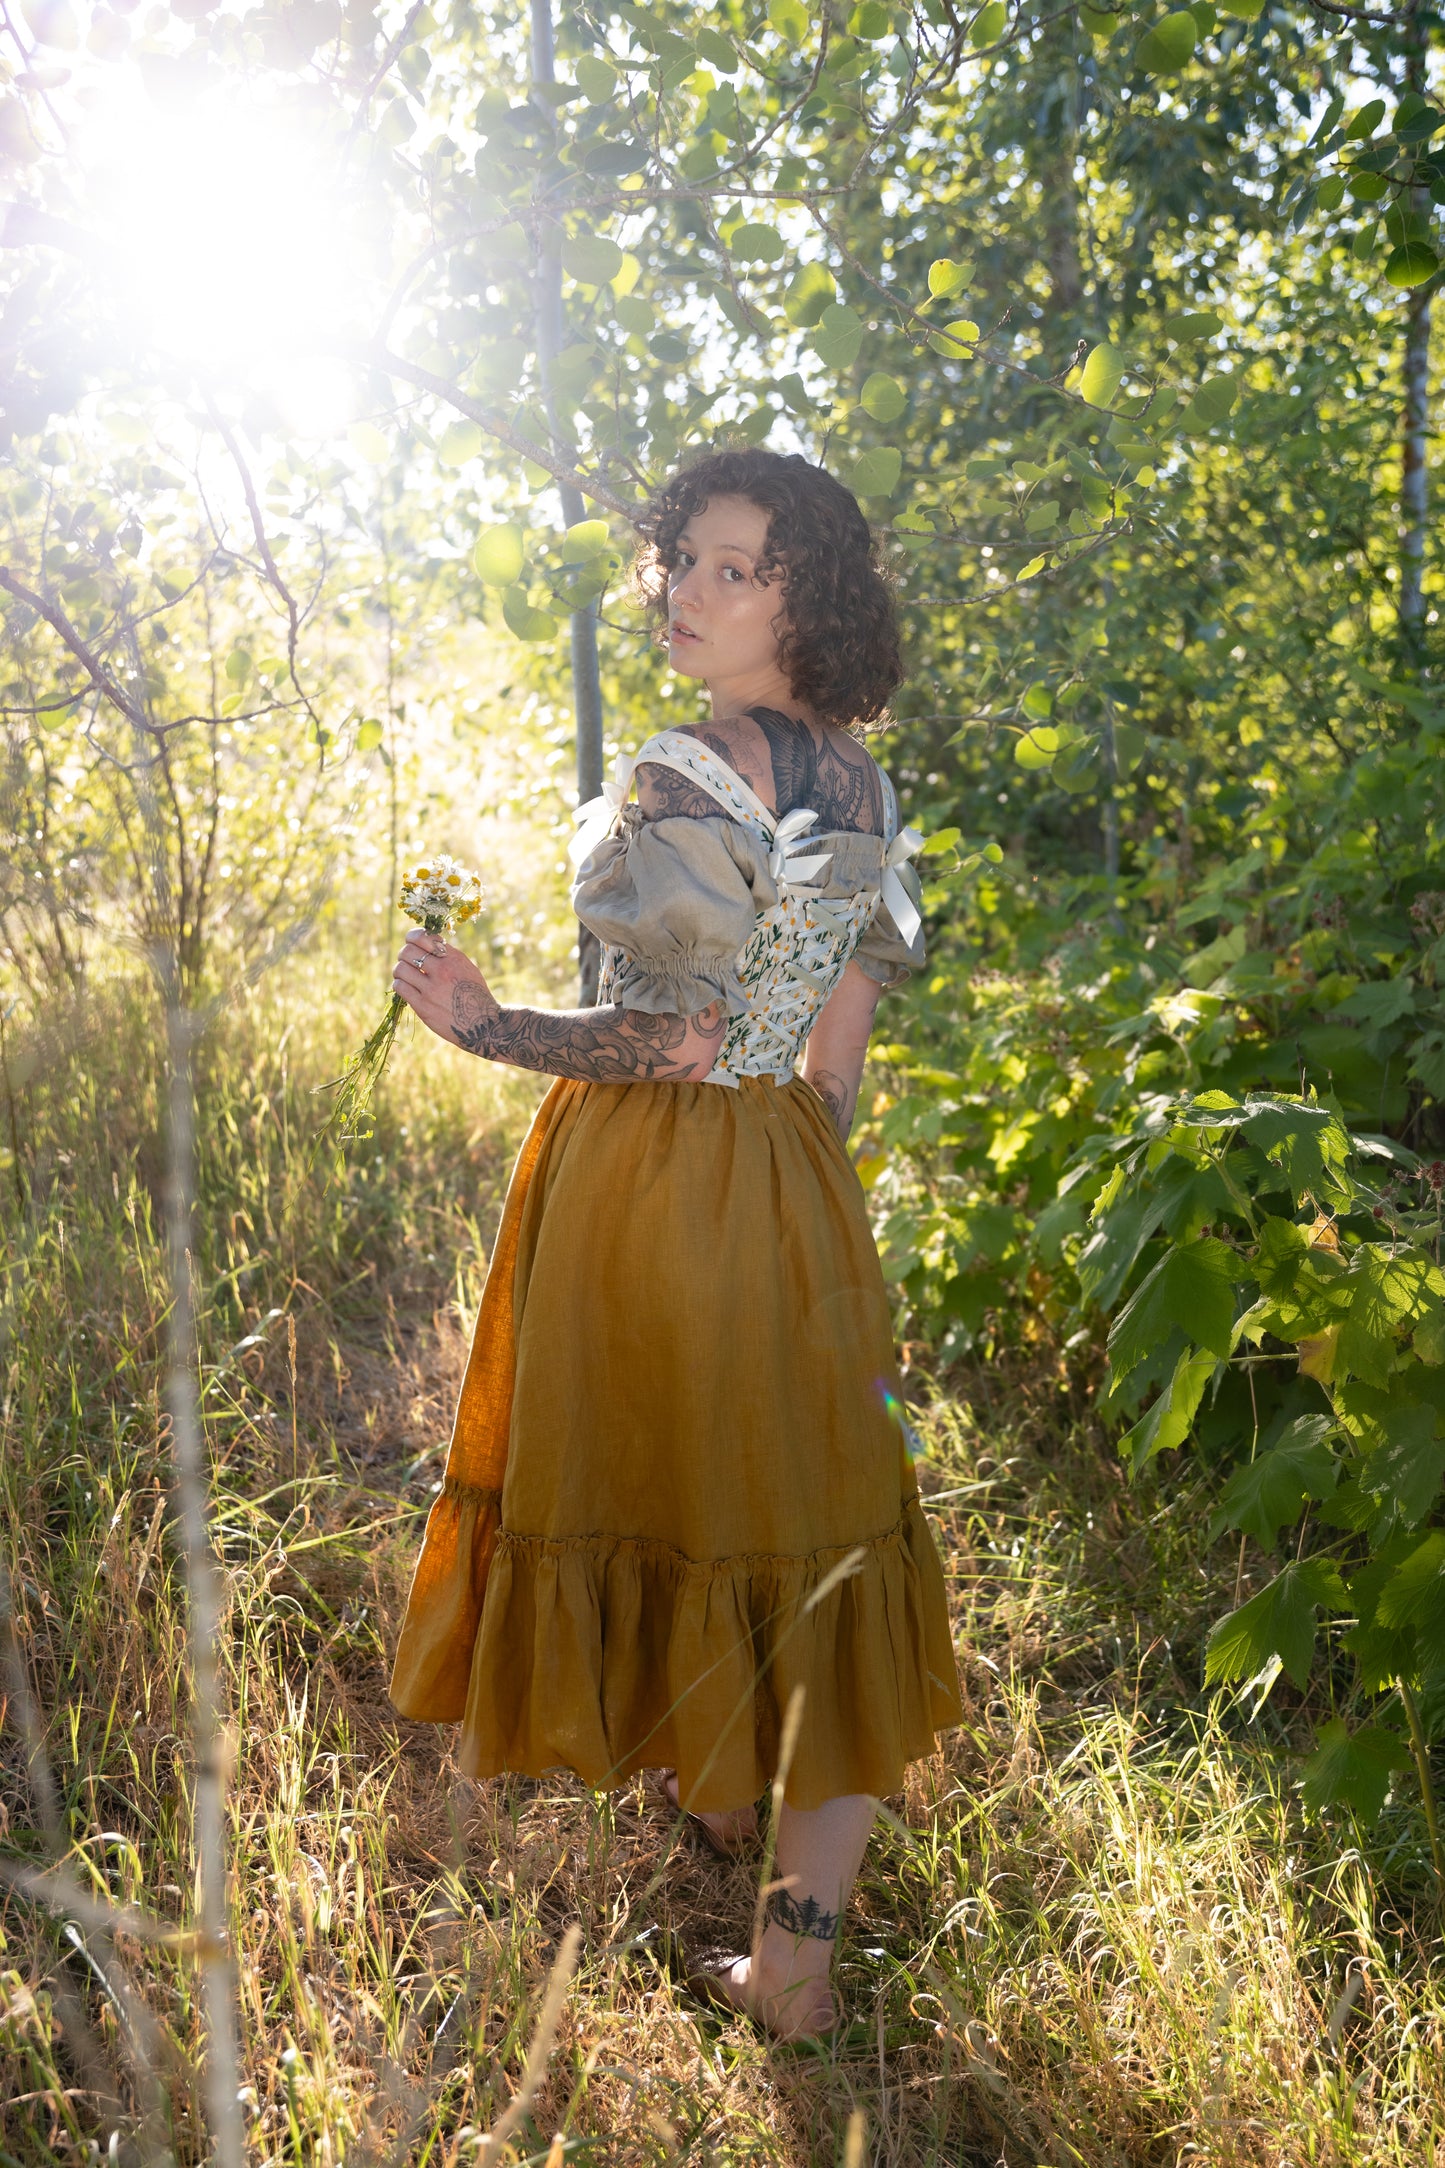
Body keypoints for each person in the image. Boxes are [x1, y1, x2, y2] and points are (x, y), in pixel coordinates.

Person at [387, 446, 961, 2041]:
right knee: (803, 1521)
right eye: (684, 561)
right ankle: (792, 1960)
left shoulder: (680, 769)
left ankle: (728, 1828)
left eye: (737, 568)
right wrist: (792, 1214)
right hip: (790, 1183)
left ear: (806, 595)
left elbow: (678, 1041)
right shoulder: (860, 780)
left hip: (647, 1186)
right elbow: (829, 1056)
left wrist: (486, 1022)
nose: (687, 594)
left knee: (659, 1479)